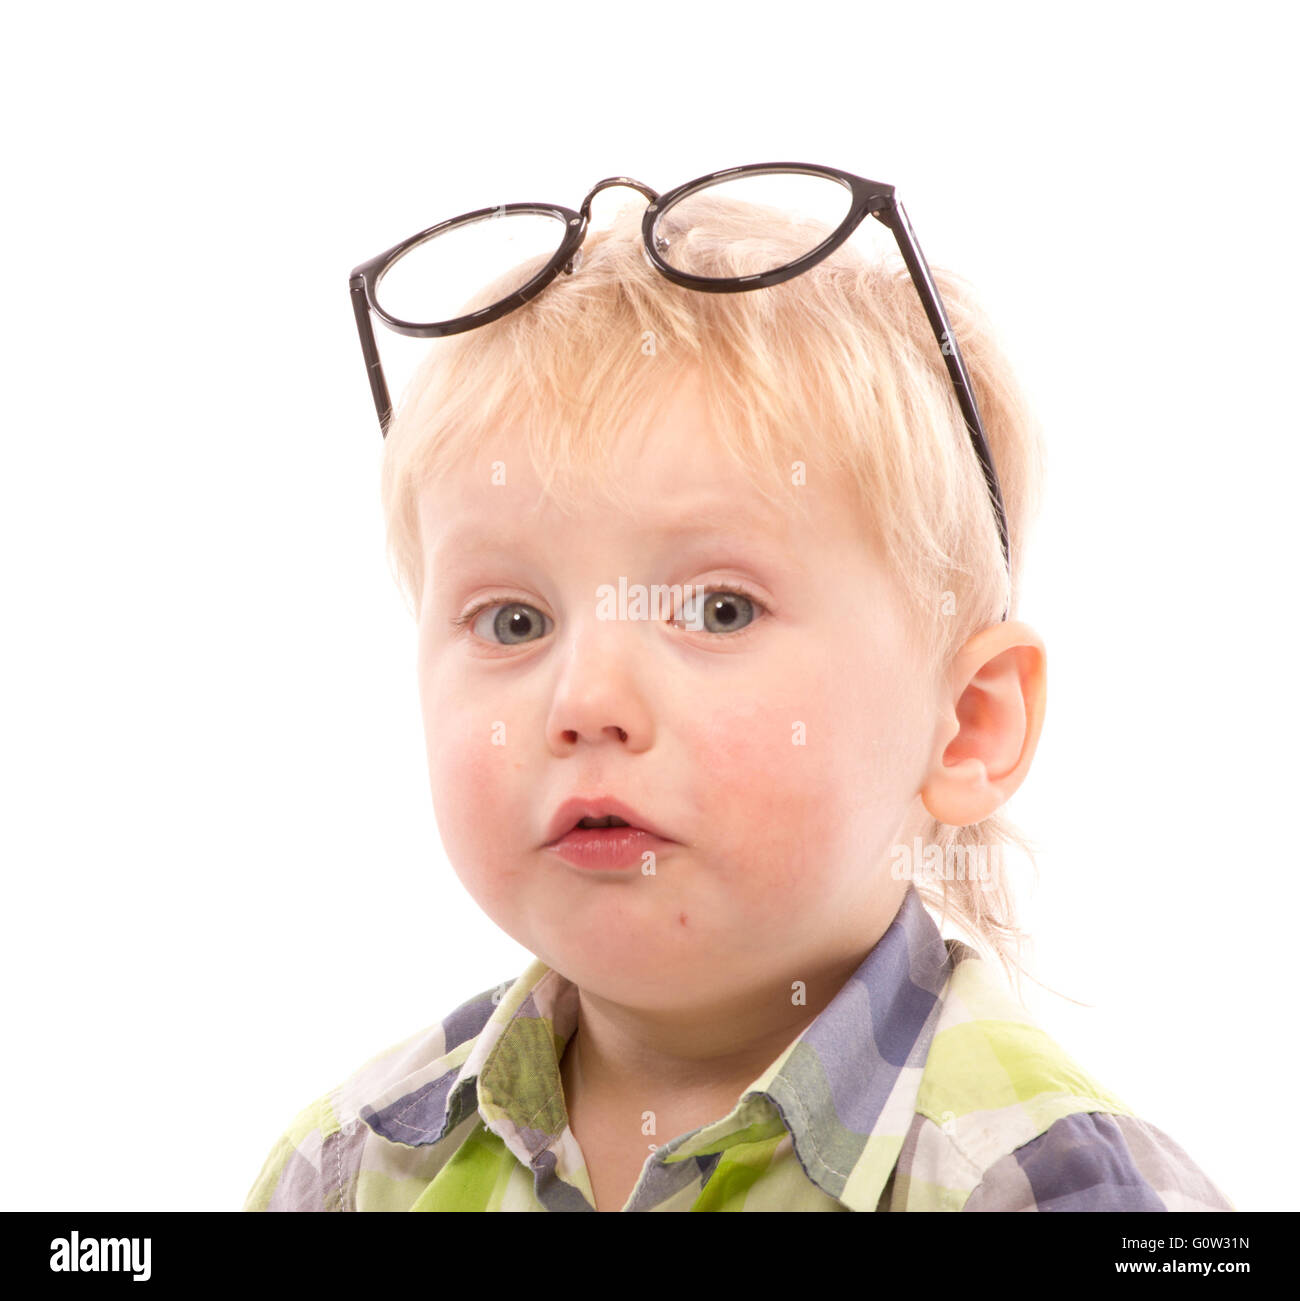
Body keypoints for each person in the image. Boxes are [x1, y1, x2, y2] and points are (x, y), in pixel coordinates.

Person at [245, 180, 1233, 1212]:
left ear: (968, 722)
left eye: (719, 609)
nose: (584, 700)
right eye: (513, 621)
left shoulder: (1043, 1185)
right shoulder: (353, 1170)